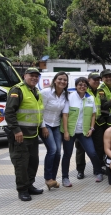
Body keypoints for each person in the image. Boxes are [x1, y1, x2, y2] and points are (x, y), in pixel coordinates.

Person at [5, 68, 44, 201]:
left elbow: (38, 112)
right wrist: (16, 130)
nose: (34, 78)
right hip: (20, 136)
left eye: (36, 76)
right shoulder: (17, 90)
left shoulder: (35, 91)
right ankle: (22, 190)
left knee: (33, 162)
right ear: (24, 76)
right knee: (21, 164)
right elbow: (9, 112)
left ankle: (29, 185)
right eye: (31, 75)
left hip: (33, 135)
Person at [61, 77, 104, 186]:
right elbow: (65, 115)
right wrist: (65, 131)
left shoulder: (90, 98)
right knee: (67, 154)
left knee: (92, 153)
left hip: (84, 131)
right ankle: (65, 178)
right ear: (76, 86)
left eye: (84, 85)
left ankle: (99, 172)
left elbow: (93, 114)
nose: (82, 87)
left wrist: (92, 128)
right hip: (70, 131)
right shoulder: (70, 97)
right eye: (80, 84)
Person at [40, 71, 68, 190]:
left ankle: (53, 178)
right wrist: (43, 127)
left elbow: (65, 113)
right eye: (60, 79)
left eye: (65, 80)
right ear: (55, 80)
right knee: (52, 150)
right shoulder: (45, 92)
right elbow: (39, 110)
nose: (62, 81)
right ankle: (47, 178)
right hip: (45, 124)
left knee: (58, 152)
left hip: (56, 125)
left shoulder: (65, 95)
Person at [75, 72, 106, 180]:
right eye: (94, 80)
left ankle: (97, 169)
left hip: (97, 123)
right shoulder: (83, 91)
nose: (97, 82)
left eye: (98, 80)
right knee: (80, 148)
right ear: (89, 80)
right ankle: (80, 170)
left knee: (99, 147)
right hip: (83, 124)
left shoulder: (100, 92)